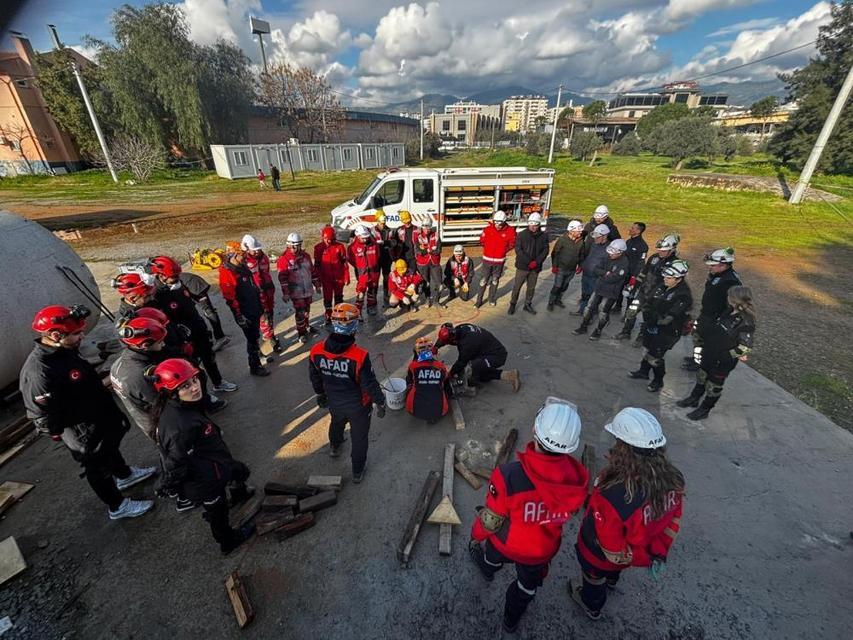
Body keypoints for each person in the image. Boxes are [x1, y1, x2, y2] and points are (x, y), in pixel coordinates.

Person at [20, 305, 155, 520]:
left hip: (97, 416)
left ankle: (124, 475)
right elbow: (41, 415)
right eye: (76, 333)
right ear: (55, 335)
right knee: (96, 465)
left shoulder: (64, 351)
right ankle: (117, 505)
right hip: (81, 429)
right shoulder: (39, 371)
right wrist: (67, 432)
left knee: (108, 448)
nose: (82, 336)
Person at [469, 397, 588, 633]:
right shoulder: (578, 480)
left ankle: (488, 568)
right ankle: (511, 620)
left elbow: (492, 520)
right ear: (572, 445)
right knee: (526, 588)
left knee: (492, 556)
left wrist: (476, 534)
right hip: (542, 550)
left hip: (505, 543)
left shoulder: (509, 475)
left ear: (535, 429)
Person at [569, 408, 684, 621]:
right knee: (616, 569)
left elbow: (612, 550)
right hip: (635, 551)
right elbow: (673, 522)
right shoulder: (675, 480)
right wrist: (656, 554)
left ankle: (591, 605)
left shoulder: (612, 494)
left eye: (617, 441)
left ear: (624, 449)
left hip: (599, 555)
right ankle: (612, 580)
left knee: (594, 579)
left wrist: (642, 558)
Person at [151, 358, 256, 555]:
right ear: (171, 393)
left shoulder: (181, 407)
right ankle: (228, 541)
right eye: (185, 386)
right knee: (217, 511)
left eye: (194, 380)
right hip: (205, 480)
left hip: (215, 462)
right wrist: (165, 483)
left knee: (240, 471)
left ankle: (239, 493)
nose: (194, 388)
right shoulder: (179, 427)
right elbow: (175, 463)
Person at [308, 303, 386, 483]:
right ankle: (357, 471)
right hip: (358, 405)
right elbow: (370, 384)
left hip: (334, 401)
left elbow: (315, 377)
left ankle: (334, 446)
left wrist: (320, 394)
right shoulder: (359, 356)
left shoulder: (316, 351)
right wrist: (380, 401)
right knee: (359, 437)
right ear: (352, 326)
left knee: (336, 422)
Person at [149, 255, 238, 393]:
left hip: (198, 329)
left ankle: (218, 383)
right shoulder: (157, 296)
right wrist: (180, 340)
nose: (177, 278)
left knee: (209, 359)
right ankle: (202, 395)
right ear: (161, 276)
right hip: (183, 338)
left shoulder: (180, 284)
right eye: (174, 277)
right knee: (192, 367)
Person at [677, 286, 755, 420]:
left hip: (723, 361)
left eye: (730, 296)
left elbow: (745, 347)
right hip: (710, 353)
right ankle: (694, 398)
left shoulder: (746, 321)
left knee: (714, 386)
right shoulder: (728, 311)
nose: (727, 298)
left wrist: (724, 357)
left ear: (735, 300)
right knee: (702, 376)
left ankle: (705, 409)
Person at [628, 260, 692, 392]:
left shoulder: (683, 295)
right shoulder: (662, 286)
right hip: (651, 326)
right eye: (665, 276)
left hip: (667, 332)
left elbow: (669, 317)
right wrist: (639, 308)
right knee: (646, 350)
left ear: (679, 279)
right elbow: (648, 299)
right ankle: (643, 371)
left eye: (669, 278)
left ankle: (658, 381)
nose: (665, 279)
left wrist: (654, 317)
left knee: (655, 357)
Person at [682, 247, 742, 373]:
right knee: (698, 337)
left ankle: (700, 363)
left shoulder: (730, 281)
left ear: (723, 265)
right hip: (707, 314)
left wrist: (720, 321)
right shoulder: (717, 274)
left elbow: (732, 306)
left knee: (707, 342)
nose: (710, 267)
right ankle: (696, 358)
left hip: (714, 318)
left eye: (713, 265)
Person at [615, 234, 679, 343]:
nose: (660, 252)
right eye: (659, 250)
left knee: (648, 317)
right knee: (632, 311)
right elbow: (644, 272)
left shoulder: (675, 264)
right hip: (643, 291)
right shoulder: (654, 257)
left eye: (663, 251)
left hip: (656, 296)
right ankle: (626, 332)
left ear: (672, 250)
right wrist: (634, 286)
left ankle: (642, 336)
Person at [218, 243, 270, 376]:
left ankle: (258, 357)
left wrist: (260, 306)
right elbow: (230, 298)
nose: (245, 257)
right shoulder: (228, 272)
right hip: (244, 312)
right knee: (252, 338)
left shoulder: (242, 267)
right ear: (233, 255)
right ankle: (255, 366)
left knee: (255, 335)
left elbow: (253, 287)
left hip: (253, 307)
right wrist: (239, 315)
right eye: (242, 254)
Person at [434, 322, 520, 392]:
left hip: (497, 355)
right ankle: (510, 375)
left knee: (473, 368)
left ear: (453, 340)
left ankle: (473, 383)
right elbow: (445, 338)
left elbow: (461, 362)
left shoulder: (467, 343)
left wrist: (450, 374)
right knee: (482, 376)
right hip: (485, 349)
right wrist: (436, 347)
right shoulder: (460, 328)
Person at [572, 239, 630, 340]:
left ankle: (598, 330)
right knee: (589, 307)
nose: (610, 254)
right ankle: (583, 326)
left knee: (603, 311)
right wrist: (605, 273)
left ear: (620, 252)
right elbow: (596, 269)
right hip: (599, 288)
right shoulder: (607, 257)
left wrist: (604, 274)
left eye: (613, 253)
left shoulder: (624, 263)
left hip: (611, 292)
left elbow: (615, 277)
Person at [241, 234, 282, 353]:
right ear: (247, 249)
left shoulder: (263, 258)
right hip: (255, 295)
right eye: (255, 250)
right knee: (260, 318)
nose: (257, 251)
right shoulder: (244, 262)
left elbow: (267, 272)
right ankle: (261, 343)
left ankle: (270, 336)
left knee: (269, 314)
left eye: (258, 249)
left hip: (267, 292)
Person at [277, 232, 318, 343]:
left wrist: (316, 284)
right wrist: (285, 293)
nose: (295, 248)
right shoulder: (284, 259)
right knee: (300, 312)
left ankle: (307, 325)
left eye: (297, 246)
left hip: (307, 290)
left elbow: (312, 271)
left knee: (307, 310)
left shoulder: (306, 257)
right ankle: (301, 332)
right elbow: (283, 279)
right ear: (288, 245)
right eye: (292, 246)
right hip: (296, 292)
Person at [509, 212, 550, 315]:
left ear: (539, 225)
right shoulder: (522, 235)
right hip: (523, 267)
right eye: (531, 225)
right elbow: (518, 250)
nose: (533, 227)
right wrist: (529, 262)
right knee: (517, 287)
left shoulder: (543, 236)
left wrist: (536, 262)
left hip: (535, 268)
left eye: (535, 225)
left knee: (531, 288)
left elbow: (545, 250)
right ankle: (512, 304)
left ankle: (527, 304)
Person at [178, 270, 229, 351]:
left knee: (208, 310)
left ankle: (220, 337)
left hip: (195, 287)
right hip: (194, 284)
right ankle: (220, 336)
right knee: (208, 310)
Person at [405, 337, 453, 425]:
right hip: (439, 412)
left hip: (414, 411)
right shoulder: (440, 367)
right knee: (445, 385)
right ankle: (433, 416)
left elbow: (409, 380)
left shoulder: (413, 366)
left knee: (410, 385)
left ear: (416, 351)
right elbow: (446, 380)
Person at [476, 210, 517, 308]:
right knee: (483, 280)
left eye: (500, 223)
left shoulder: (510, 231)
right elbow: (482, 241)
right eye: (496, 223)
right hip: (487, 260)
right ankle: (479, 301)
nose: (498, 225)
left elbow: (512, 244)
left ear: (504, 221)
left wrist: (503, 251)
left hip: (499, 261)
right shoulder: (487, 230)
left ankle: (491, 299)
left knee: (495, 280)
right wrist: (488, 250)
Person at [314, 225, 350, 324]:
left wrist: (346, 276)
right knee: (327, 298)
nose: (328, 241)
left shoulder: (340, 246)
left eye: (330, 239)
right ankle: (328, 315)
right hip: (326, 278)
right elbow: (316, 265)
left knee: (339, 297)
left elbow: (344, 263)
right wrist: (317, 280)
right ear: (322, 237)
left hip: (339, 277)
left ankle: (338, 314)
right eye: (326, 239)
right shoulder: (318, 248)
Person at [547, 220, 586, 312]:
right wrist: (554, 266)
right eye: (578, 231)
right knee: (557, 286)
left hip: (571, 269)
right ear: (571, 231)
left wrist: (580, 265)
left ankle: (558, 300)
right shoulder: (562, 240)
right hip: (561, 268)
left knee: (565, 285)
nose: (580, 232)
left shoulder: (581, 241)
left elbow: (582, 254)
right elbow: (555, 253)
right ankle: (551, 302)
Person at [573, 224, 610, 315]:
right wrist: (583, 266)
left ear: (604, 236)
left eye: (597, 237)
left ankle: (590, 315)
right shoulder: (594, 244)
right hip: (586, 274)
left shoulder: (609, 249)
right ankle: (582, 311)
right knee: (585, 295)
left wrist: (600, 273)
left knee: (593, 298)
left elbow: (609, 266)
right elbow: (589, 257)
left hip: (596, 278)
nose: (595, 239)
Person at [347, 224, 381, 318]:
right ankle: (358, 311)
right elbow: (351, 259)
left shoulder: (374, 244)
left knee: (373, 290)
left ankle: (371, 306)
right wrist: (360, 267)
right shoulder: (352, 247)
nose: (365, 239)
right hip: (362, 273)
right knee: (361, 292)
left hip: (374, 271)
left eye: (366, 237)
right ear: (358, 236)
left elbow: (377, 255)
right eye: (363, 238)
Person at [615, 222, 648, 313]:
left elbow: (641, 262)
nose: (630, 229)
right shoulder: (628, 242)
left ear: (638, 231)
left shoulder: (643, 246)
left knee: (630, 293)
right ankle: (618, 307)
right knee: (619, 289)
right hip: (624, 271)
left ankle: (627, 312)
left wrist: (634, 276)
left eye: (633, 228)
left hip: (632, 274)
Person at [414, 219, 443, 307]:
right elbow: (418, 251)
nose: (427, 229)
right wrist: (430, 249)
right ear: (422, 227)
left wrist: (426, 250)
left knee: (439, 284)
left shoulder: (436, 235)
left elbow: (439, 250)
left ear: (431, 227)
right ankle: (427, 299)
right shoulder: (418, 237)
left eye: (428, 227)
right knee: (426, 283)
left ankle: (436, 301)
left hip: (434, 263)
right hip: (422, 263)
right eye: (425, 227)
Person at [373, 211, 397, 303]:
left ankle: (386, 295)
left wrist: (385, 243)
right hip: (376, 258)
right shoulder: (372, 230)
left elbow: (394, 242)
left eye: (384, 222)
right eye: (381, 223)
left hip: (387, 257)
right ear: (377, 220)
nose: (383, 224)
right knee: (375, 278)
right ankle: (373, 297)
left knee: (386, 277)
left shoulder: (390, 230)